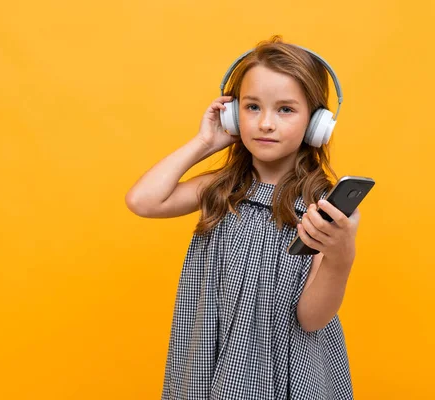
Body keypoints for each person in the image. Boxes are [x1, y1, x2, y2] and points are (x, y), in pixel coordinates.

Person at [125, 35, 360, 399]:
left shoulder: (321, 206)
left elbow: (312, 318)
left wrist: (340, 255)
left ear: (317, 124)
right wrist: (204, 143)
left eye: (285, 110)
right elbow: (143, 201)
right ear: (233, 115)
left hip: (288, 362)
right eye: (252, 107)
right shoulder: (221, 188)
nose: (266, 123)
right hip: (211, 356)